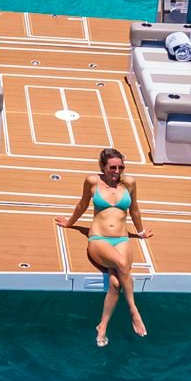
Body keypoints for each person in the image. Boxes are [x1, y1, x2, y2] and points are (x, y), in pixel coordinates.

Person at [56, 147, 153, 344]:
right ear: (103, 166)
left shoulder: (130, 183)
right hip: (99, 239)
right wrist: (70, 222)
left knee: (116, 283)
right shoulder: (92, 181)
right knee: (122, 264)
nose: (117, 172)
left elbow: (134, 210)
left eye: (120, 167)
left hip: (122, 239)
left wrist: (141, 232)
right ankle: (134, 311)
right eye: (112, 168)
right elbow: (82, 204)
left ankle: (102, 327)